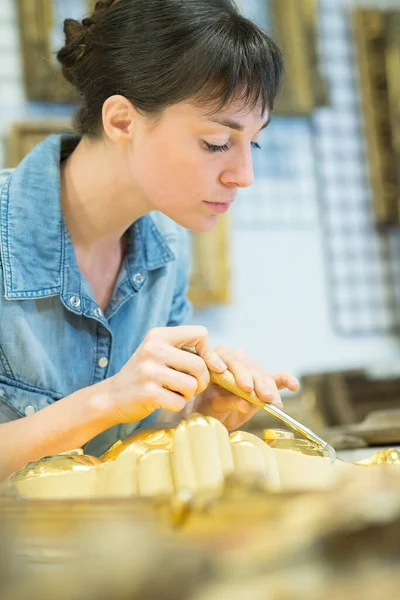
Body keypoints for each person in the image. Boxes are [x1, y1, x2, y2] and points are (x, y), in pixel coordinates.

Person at [0, 0, 299, 480]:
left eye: (254, 142)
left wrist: (195, 412)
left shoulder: (165, 250)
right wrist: (106, 401)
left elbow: (118, 462)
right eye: (217, 143)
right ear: (122, 121)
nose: (244, 175)